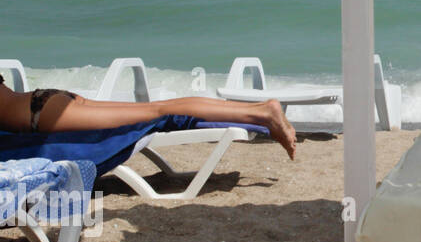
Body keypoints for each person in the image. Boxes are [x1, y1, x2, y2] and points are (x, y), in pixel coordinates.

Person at [0, 73, 296, 158]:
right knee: (159, 109)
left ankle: (261, 111)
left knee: (160, 111)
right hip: (46, 100)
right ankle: (258, 110)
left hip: (42, 116)